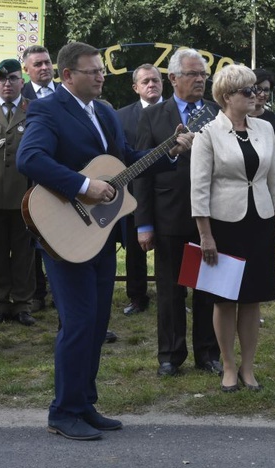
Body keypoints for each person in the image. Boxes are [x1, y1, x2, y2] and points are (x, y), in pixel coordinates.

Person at [16, 41, 193, 440]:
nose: (100, 75)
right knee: (78, 323)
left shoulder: (105, 112)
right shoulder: (47, 109)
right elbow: (29, 159)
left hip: (96, 235)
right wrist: (84, 185)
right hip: (64, 232)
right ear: (67, 76)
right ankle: (62, 412)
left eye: (101, 70)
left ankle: (83, 403)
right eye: (92, 70)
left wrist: (170, 151)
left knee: (95, 324)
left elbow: (127, 158)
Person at [191, 65, 275, 391]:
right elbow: (199, 190)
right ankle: (228, 367)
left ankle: (248, 368)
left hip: (259, 223)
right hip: (223, 226)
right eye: (248, 91)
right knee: (224, 300)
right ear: (227, 96)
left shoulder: (264, 128)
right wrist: (205, 235)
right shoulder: (208, 134)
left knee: (252, 299)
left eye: (257, 90)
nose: (256, 95)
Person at [133, 49, 222, 377]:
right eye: (192, 74)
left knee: (207, 287)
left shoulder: (217, 113)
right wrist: (143, 223)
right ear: (173, 79)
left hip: (212, 217)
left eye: (203, 74)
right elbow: (141, 172)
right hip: (169, 213)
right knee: (170, 289)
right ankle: (170, 356)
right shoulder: (154, 116)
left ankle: (208, 353)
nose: (200, 79)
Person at [0, 59, 36, 328]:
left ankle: (23, 304)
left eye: (12, 78)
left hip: (26, 194)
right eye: (1, 80)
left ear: (21, 81)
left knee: (24, 252)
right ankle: (0, 303)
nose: (7, 84)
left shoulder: (35, 110)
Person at [116, 64, 163, 316]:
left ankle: (177, 293)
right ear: (135, 88)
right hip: (134, 192)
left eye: (155, 80)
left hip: (170, 193)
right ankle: (137, 296)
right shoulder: (121, 117)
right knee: (135, 248)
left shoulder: (176, 112)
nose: (151, 85)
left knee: (173, 246)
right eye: (145, 81)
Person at [20, 45, 54, 314]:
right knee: (33, 239)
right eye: (38, 64)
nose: (44, 68)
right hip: (28, 180)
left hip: (60, 178)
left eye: (47, 63)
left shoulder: (65, 94)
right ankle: (37, 293)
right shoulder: (19, 98)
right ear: (26, 70)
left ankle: (60, 291)